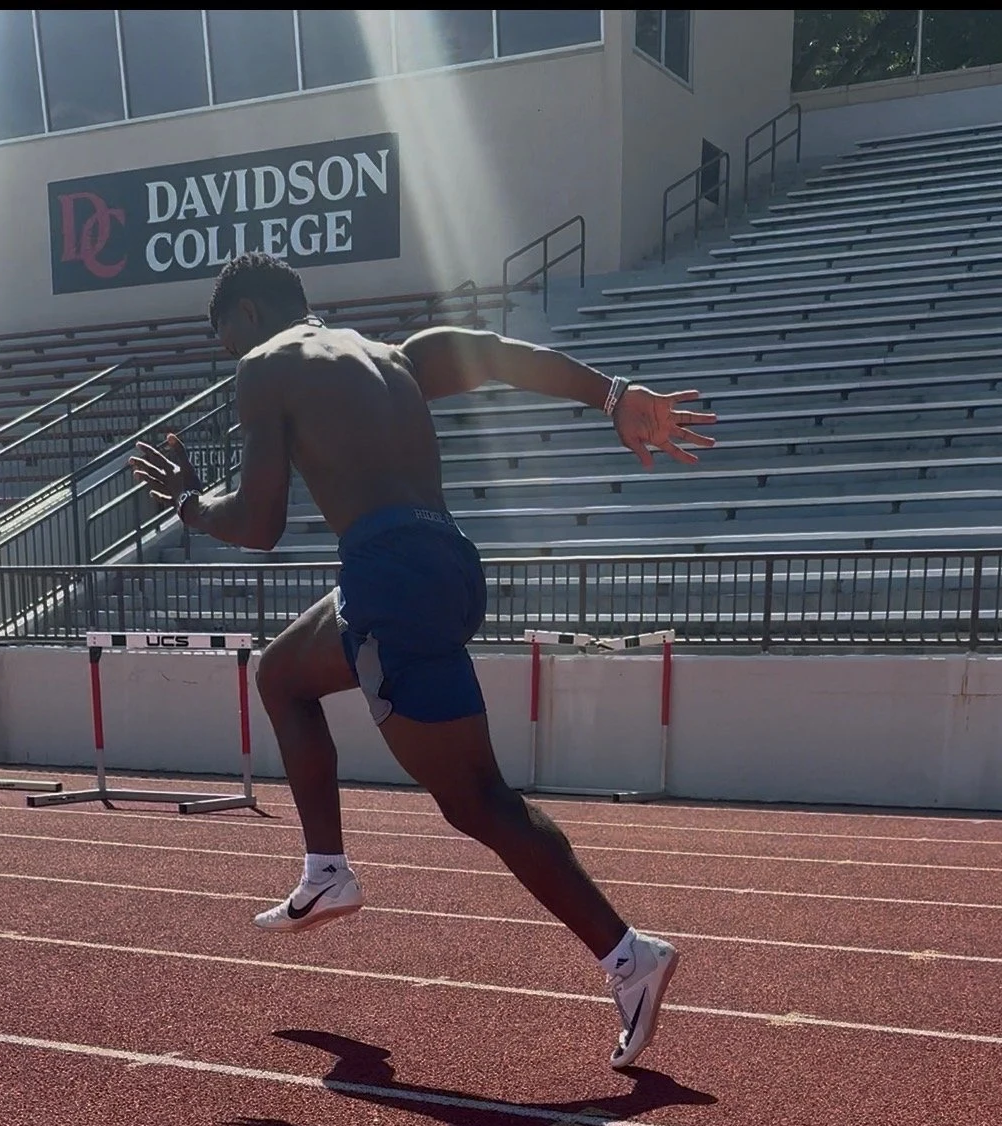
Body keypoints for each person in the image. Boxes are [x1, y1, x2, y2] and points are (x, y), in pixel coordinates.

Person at [130, 253, 715, 1069]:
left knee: (477, 801)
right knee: (281, 674)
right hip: (441, 558)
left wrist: (192, 506)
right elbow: (504, 357)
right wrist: (615, 396)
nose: (227, 354)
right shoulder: (398, 357)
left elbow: (260, 522)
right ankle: (326, 869)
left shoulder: (264, 366)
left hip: (389, 577)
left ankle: (630, 958)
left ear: (249, 317)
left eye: (222, 336)